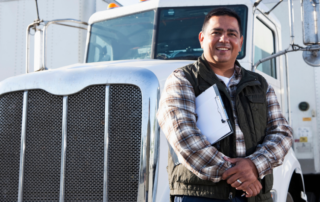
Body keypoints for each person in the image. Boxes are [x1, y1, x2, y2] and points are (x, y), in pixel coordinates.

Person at [156, 7, 293, 202]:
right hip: (201, 196)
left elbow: (282, 133)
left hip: (255, 196)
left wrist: (254, 166)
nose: (224, 39)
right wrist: (240, 176)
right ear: (202, 38)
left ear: (240, 42)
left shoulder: (261, 85)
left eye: (231, 34)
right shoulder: (182, 80)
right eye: (216, 33)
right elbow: (185, 137)